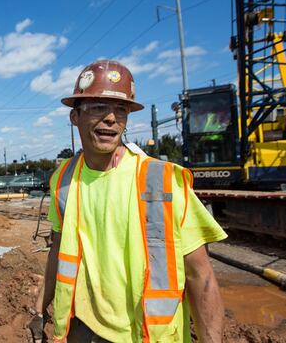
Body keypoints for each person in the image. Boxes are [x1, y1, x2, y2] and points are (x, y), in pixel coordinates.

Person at [35, 60, 227, 343]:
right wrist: (39, 309)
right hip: (82, 330)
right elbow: (57, 252)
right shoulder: (63, 180)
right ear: (74, 116)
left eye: (121, 110)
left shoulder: (161, 181)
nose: (111, 118)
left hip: (149, 335)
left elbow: (201, 275)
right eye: (99, 107)